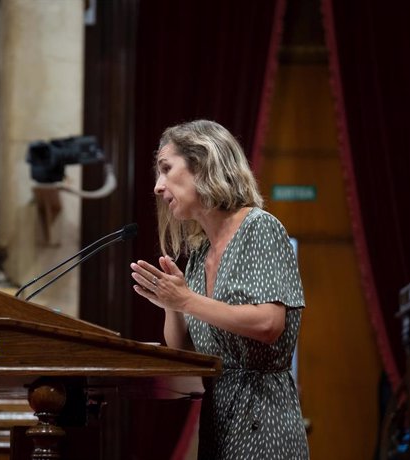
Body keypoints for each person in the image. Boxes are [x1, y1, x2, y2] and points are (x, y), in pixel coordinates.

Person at [130, 119, 309, 459]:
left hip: (264, 421)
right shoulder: (199, 254)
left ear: (202, 164)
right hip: (217, 422)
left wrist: (187, 300)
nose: (157, 186)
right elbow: (184, 349)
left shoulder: (259, 227)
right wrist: (173, 303)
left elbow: (269, 324)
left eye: (167, 169)